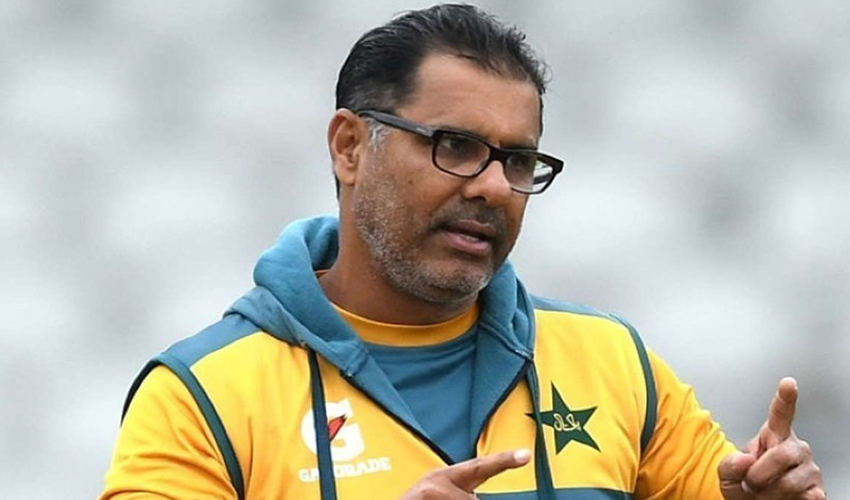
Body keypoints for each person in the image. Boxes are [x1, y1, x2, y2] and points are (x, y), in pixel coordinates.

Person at [99, 4, 825, 499]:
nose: (494, 187)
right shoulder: (202, 395)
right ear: (349, 148)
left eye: (518, 161)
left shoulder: (614, 363)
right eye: (456, 146)